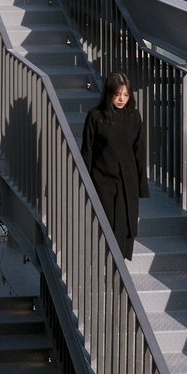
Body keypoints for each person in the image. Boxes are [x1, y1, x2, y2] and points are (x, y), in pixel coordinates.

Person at [81, 71, 149, 260]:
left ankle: (118, 271)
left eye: (126, 95)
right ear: (109, 93)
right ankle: (106, 268)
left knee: (126, 227)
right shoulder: (95, 116)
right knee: (106, 227)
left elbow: (139, 151)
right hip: (102, 180)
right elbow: (87, 151)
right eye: (117, 94)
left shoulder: (134, 116)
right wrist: (85, 184)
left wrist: (142, 185)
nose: (121, 99)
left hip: (128, 180)